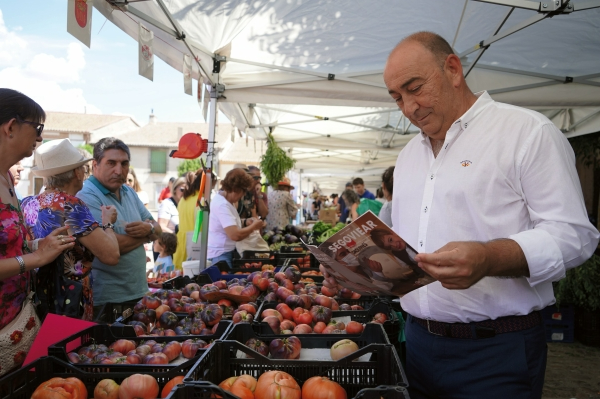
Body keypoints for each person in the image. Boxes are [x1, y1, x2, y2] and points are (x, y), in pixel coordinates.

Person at [323, 31, 600, 398]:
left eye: (415, 87)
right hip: (417, 344)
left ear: (452, 69)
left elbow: (574, 236)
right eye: (397, 97)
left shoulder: (527, 133)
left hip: (497, 351)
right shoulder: (408, 157)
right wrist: (352, 267)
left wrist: (489, 257)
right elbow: (404, 248)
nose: (408, 108)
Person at [0, 89, 76, 374]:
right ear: (10, 127)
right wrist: (34, 260)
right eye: (37, 128)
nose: (40, 138)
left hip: (17, 325)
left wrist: (39, 245)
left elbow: (9, 243)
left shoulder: (7, 177)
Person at [22, 139, 119, 321]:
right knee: (69, 348)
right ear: (76, 172)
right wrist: (108, 223)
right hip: (68, 302)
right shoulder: (70, 205)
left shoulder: (27, 203)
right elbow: (111, 255)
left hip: (35, 300)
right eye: (83, 168)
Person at [77, 137, 162, 314]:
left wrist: (151, 229)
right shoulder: (87, 196)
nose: (119, 170)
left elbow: (158, 229)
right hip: (108, 300)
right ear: (95, 165)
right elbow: (111, 247)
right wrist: (147, 235)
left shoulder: (128, 191)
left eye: (124, 164)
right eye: (111, 163)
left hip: (137, 292)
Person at [207, 168, 265, 268]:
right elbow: (235, 235)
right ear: (236, 189)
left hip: (224, 253)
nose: (243, 195)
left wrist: (246, 222)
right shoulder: (222, 205)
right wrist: (254, 227)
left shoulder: (227, 201)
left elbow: (228, 224)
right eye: (243, 191)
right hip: (220, 256)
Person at [173, 171, 201, 268]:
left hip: (182, 242)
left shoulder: (183, 199)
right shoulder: (200, 200)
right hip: (195, 243)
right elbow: (200, 226)